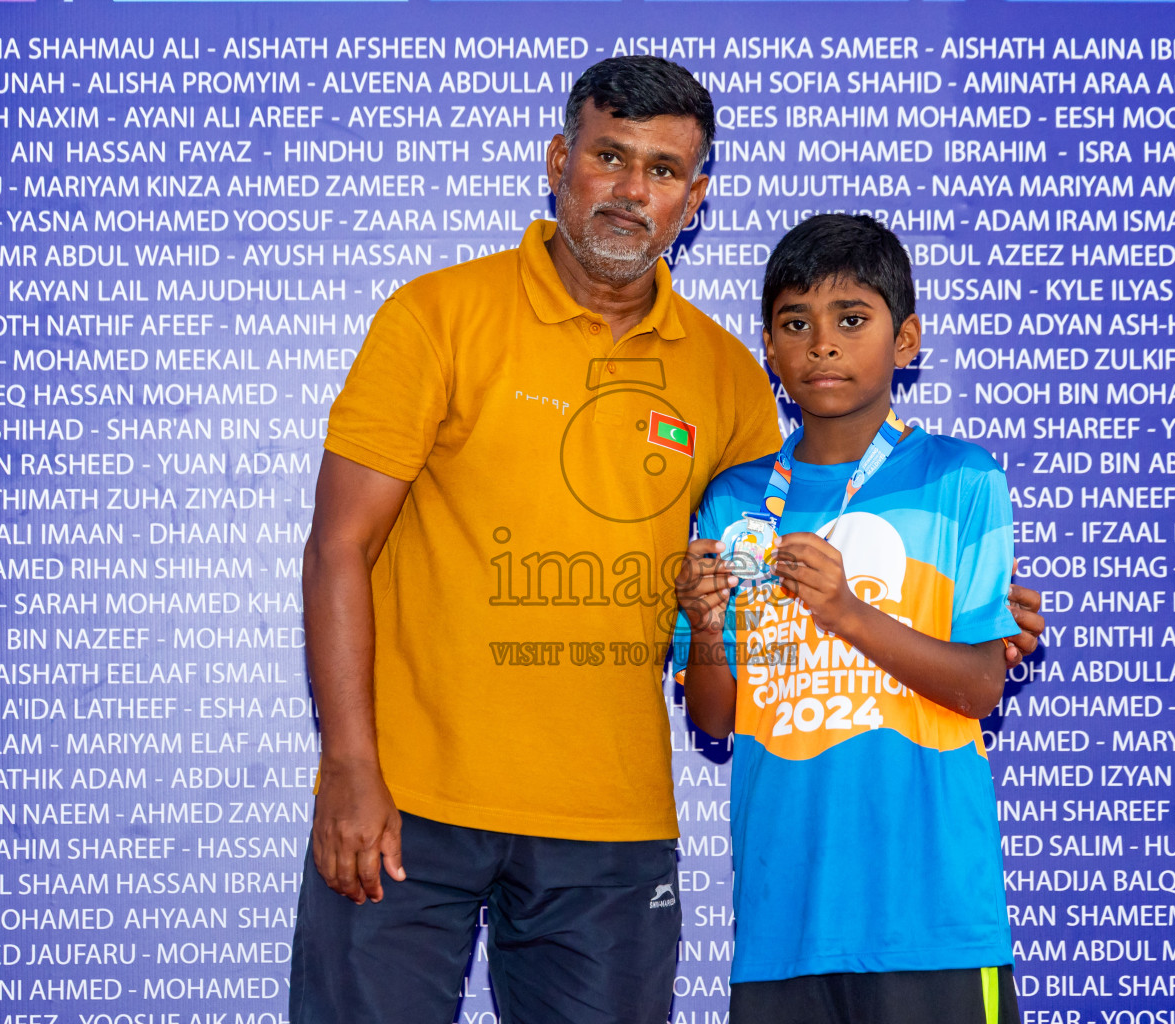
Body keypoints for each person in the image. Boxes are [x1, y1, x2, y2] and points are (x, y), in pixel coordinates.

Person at [292, 56, 1043, 1023]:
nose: (630, 191)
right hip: (408, 804)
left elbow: (784, 557)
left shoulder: (731, 379)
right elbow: (336, 549)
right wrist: (350, 765)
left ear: (694, 197)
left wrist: (972, 616)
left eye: (662, 170)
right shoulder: (436, 316)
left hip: (611, 830)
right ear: (560, 161)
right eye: (610, 157)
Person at [674, 214, 1023, 1024]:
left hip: (932, 922)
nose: (821, 345)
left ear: (906, 340)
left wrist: (845, 610)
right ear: (768, 347)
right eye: (796, 324)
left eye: (851, 321)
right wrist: (706, 631)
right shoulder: (731, 501)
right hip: (783, 921)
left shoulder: (960, 479)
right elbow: (714, 717)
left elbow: (978, 685)